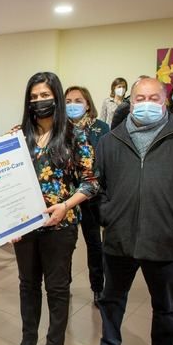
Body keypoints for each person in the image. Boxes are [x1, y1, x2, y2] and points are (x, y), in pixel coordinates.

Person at [90, 77, 173, 345]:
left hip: (164, 240)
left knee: (165, 306)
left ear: (165, 102)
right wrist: (107, 214)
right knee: (112, 299)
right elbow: (96, 185)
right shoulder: (110, 141)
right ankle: (109, 344)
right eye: (140, 99)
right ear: (131, 102)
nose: (146, 104)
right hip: (118, 238)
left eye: (154, 98)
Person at [12, 72, 98, 345]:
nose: (39, 101)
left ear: (56, 97)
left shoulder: (75, 134)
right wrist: (5, 222)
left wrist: (66, 205)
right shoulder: (17, 135)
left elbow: (91, 182)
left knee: (57, 288)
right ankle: (28, 340)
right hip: (24, 226)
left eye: (45, 95)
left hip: (60, 225)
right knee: (27, 284)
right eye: (33, 97)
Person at [65, 86, 109, 306]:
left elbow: (107, 162)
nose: (72, 105)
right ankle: (64, 284)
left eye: (78, 100)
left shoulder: (101, 129)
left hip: (92, 196)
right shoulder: (59, 129)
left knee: (94, 244)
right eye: (68, 100)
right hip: (65, 197)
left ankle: (97, 287)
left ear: (88, 104)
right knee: (66, 244)